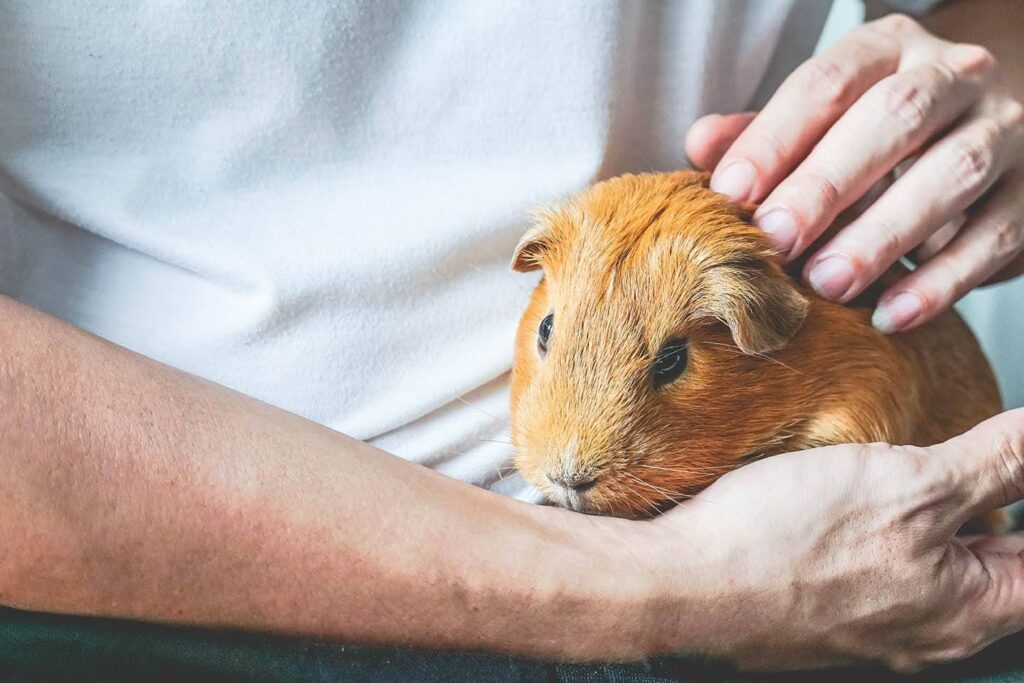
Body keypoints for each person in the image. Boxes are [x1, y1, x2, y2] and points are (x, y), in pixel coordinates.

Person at [0, 0, 1022, 676]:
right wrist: (672, 587)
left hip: (826, 601)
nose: (575, 457)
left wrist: (989, 92)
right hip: (148, 621)